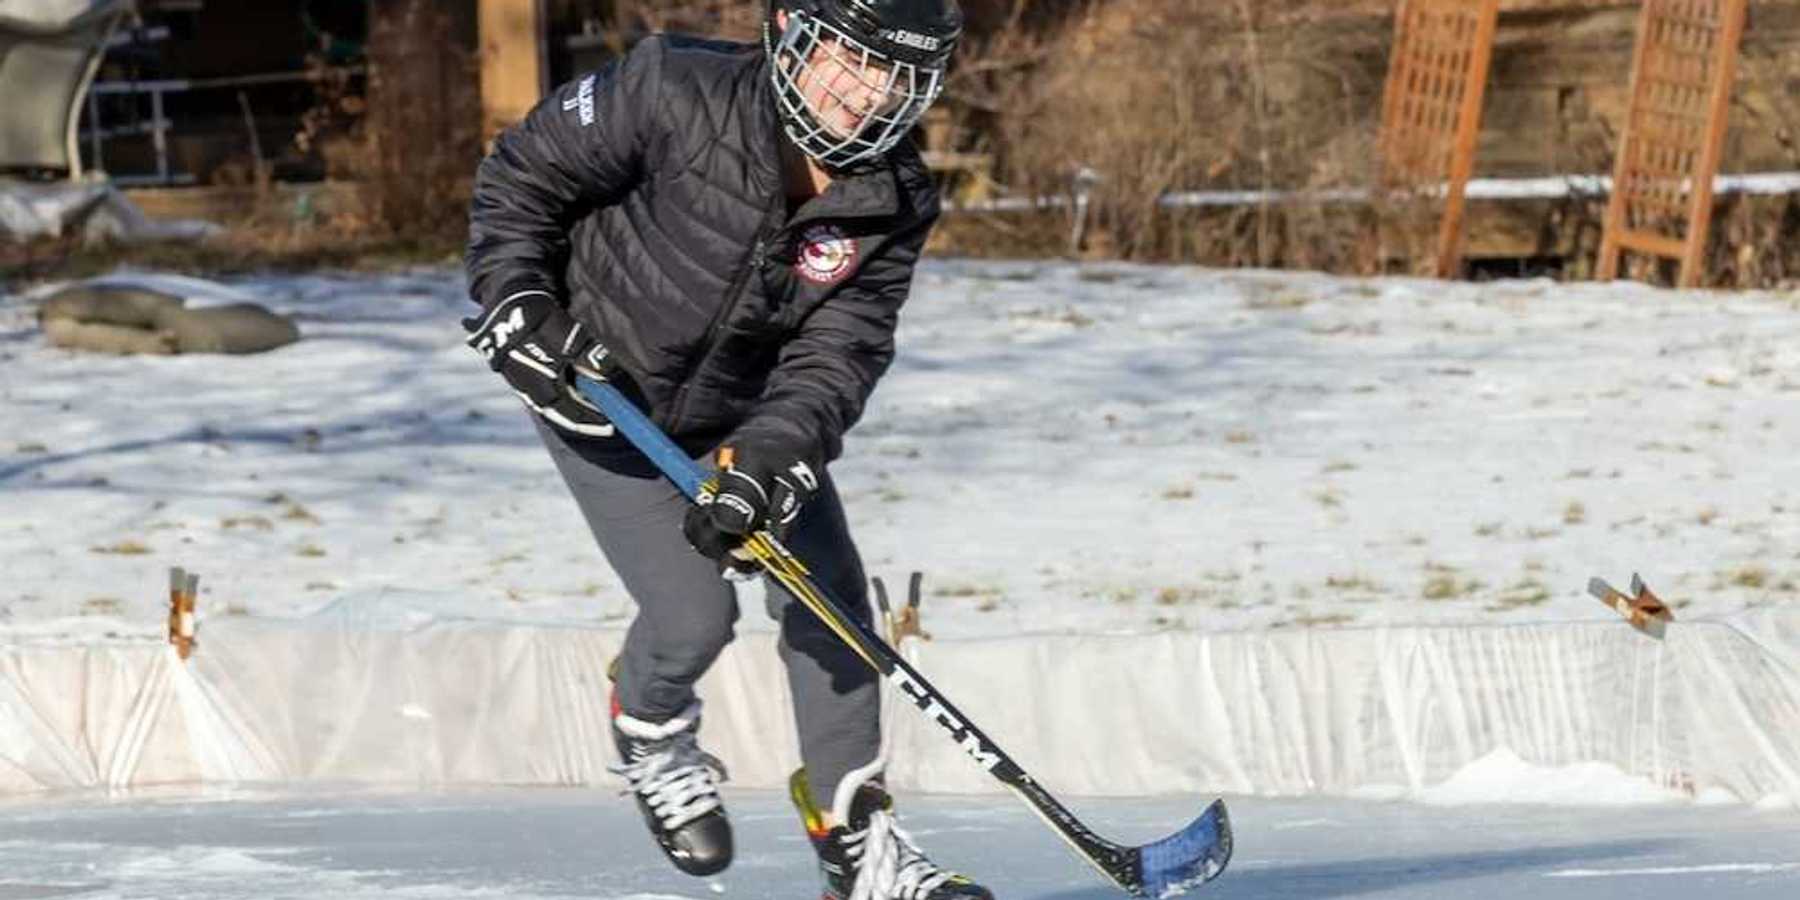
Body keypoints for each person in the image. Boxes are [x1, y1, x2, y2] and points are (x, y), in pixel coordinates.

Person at [461, 2, 989, 898]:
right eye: (845, 61)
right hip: (600, 400)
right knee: (695, 617)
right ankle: (650, 722)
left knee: (832, 611)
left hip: (747, 422)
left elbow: (841, 351)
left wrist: (773, 459)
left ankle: (854, 839)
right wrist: (517, 300)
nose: (863, 95)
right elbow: (522, 179)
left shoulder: (893, 198)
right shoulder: (670, 87)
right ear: (790, 30)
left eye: (893, 76)